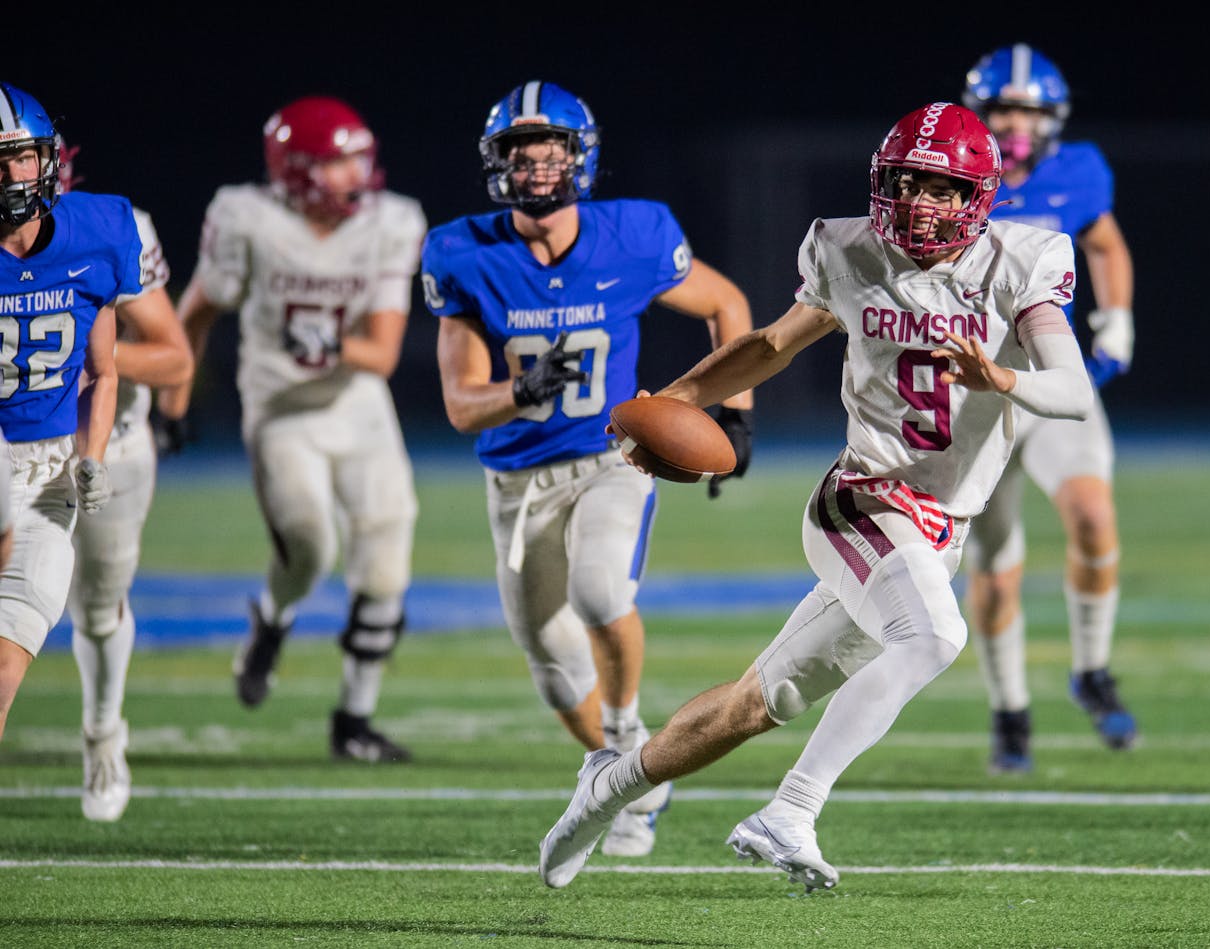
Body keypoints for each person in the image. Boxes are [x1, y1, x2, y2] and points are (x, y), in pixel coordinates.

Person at [537, 101, 1092, 891]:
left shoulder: (1020, 262)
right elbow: (768, 345)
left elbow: (1071, 391)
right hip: (863, 501)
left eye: (939, 188)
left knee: (757, 703)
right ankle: (792, 809)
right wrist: (675, 401)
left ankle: (609, 784)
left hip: (940, 525)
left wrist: (1001, 375)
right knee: (933, 637)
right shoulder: (848, 250)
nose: (919, 202)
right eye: (906, 182)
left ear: (978, 196)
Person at [423, 80, 754, 859]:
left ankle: (633, 743)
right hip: (517, 478)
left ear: (581, 156)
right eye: (520, 153)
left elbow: (729, 305)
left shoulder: (635, 233)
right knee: (549, 660)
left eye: (552, 151)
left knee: (600, 589)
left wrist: (734, 416)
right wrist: (518, 391)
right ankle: (625, 763)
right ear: (495, 161)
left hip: (615, 455)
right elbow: (463, 407)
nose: (538, 168)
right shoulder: (460, 250)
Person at [156, 96, 426, 762]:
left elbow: (384, 352)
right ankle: (271, 621)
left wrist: (332, 341)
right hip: (280, 409)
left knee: (387, 559)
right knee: (309, 549)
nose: (355, 174)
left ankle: (354, 720)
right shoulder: (247, 219)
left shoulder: (392, 222)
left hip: (359, 403)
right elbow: (194, 312)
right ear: (298, 169)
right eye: (337, 162)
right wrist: (172, 400)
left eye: (358, 157)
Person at [957, 44, 1138, 772]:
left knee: (1093, 516)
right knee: (996, 569)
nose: (1016, 122)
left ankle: (1091, 668)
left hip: (1052, 376)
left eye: (1029, 109)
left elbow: (1105, 242)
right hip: (976, 389)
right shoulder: (953, 175)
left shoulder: (1078, 170)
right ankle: (1009, 709)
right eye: (1003, 107)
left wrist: (1117, 315)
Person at [55, 138, 194, 820]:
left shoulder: (113, 228)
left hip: (109, 444)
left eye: (19, 159)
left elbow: (174, 358)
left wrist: (96, 360)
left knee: (99, 605)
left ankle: (103, 731)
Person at [0, 82, 129, 742]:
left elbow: (103, 371)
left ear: (46, 159)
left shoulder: (97, 233)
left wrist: (93, 456)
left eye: (20, 156)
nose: (10, 174)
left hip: (47, 484)